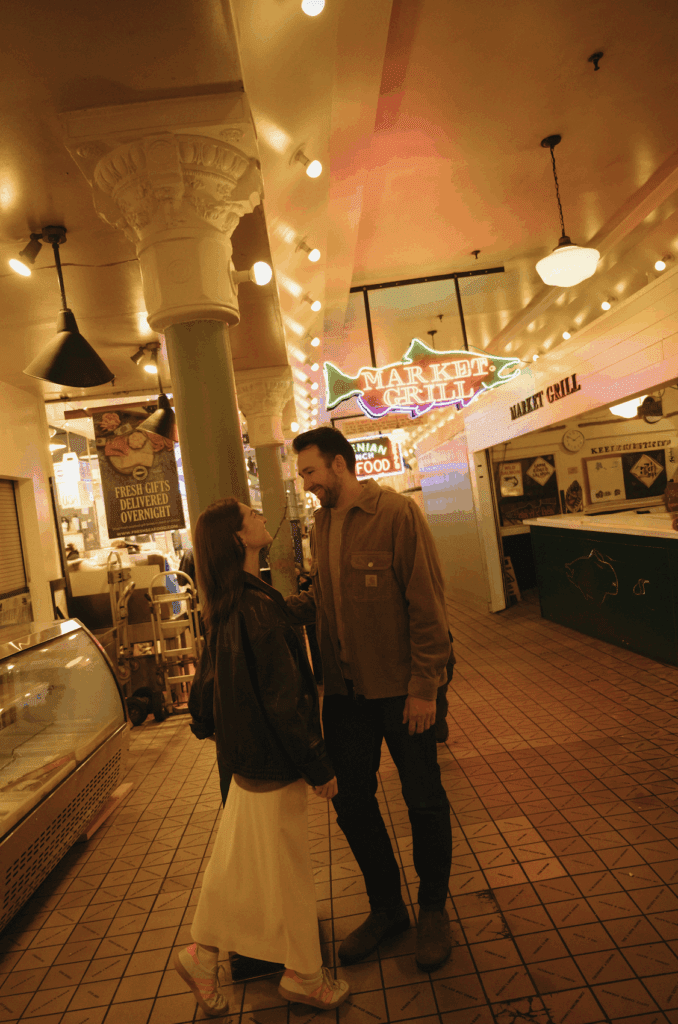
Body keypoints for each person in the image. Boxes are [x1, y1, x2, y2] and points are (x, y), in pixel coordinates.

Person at [173, 497, 349, 1015]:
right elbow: (282, 696)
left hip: (246, 760)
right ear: (238, 538)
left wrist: (309, 600)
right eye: (249, 516)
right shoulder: (255, 607)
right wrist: (318, 764)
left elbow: (221, 677)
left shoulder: (232, 601)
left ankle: (203, 955)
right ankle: (304, 976)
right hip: (275, 761)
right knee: (289, 871)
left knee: (239, 863)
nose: (258, 516)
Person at [287, 427, 453, 972]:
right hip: (345, 695)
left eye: (311, 471)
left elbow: (428, 605)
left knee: (423, 799)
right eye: (302, 473)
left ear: (339, 465)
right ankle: (387, 908)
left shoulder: (397, 515)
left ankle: (433, 910)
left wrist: (425, 688)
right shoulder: (319, 523)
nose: (306, 483)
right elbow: (333, 599)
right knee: (350, 802)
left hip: (402, 692)